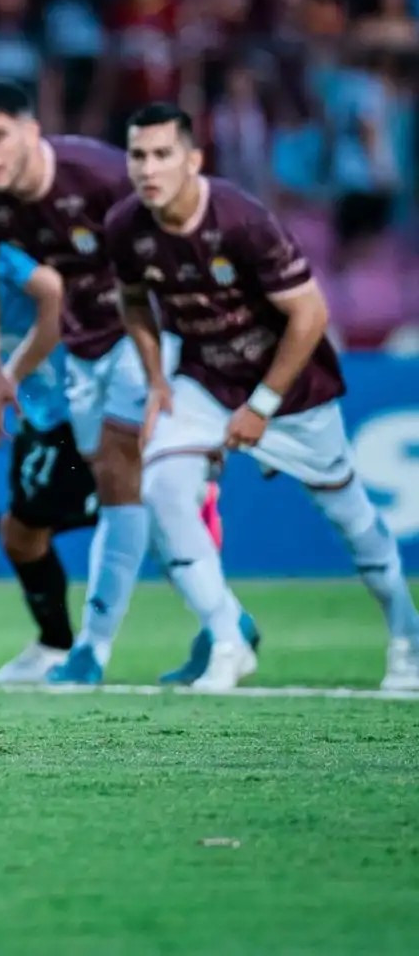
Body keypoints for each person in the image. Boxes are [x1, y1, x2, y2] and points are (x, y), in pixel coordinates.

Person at [0, 105, 240, 685]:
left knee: (54, 524)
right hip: (51, 403)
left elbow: (52, 303)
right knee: (110, 519)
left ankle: (71, 647)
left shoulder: (8, 239)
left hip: (71, 399)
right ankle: (221, 629)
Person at [109, 102, 419, 692]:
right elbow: (131, 303)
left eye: (162, 154)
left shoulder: (240, 219)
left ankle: (408, 637)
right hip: (205, 380)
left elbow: (310, 313)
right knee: (162, 487)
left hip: (290, 389)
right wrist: (155, 381)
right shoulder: (126, 227)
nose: (148, 168)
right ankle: (227, 638)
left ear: (193, 160)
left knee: (351, 519)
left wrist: (262, 407)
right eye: (138, 155)